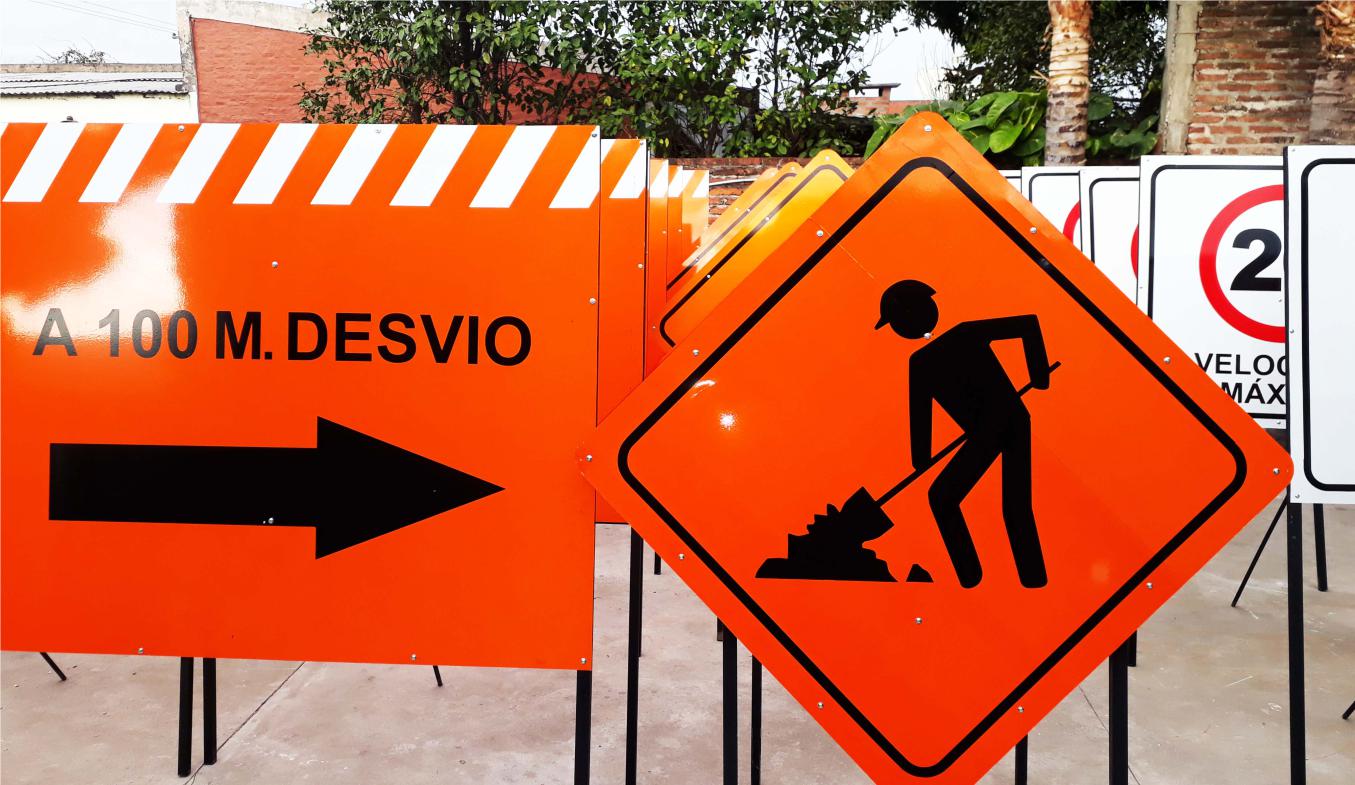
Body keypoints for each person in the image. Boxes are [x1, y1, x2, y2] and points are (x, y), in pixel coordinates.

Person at [875, 280, 1050, 589]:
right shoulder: (924, 360)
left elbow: (1027, 324)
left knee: (955, 499)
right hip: (996, 427)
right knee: (998, 503)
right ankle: (1000, 578)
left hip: (1005, 422)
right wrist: (921, 458)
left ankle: (982, 578)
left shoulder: (956, 339)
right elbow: (921, 417)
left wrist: (1039, 374)